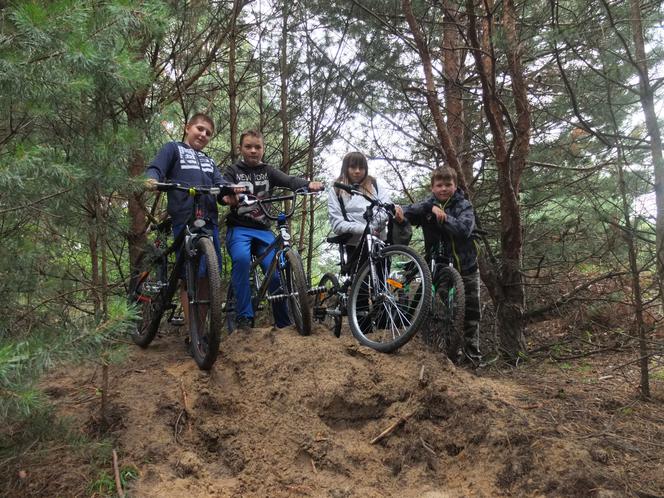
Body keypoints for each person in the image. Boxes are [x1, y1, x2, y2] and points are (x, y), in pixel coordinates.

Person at [221, 129, 323, 331]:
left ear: (263, 149)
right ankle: (244, 317)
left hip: (263, 229)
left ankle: (283, 322)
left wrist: (308, 184)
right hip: (239, 227)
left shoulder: (268, 171)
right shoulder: (233, 170)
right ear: (240, 148)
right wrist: (228, 192)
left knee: (275, 272)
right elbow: (223, 187)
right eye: (248, 146)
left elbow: (289, 181)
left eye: (257, 147)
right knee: (241, 261)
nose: (253, 151)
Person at [145, 113, 240, 326]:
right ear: (188, 128)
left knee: (209, 276)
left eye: (208, 133)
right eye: (199, 129)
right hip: (184, 218)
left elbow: (220, 186)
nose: (203, 134)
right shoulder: (173, 149)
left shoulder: (209, 161)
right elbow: (156, 167)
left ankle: (201, 333)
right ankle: (192, 332)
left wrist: (229, 195)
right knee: (190, 276)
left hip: (209, 220)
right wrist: (151, 179)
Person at [402, 166, 481, 366]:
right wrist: (430, 209)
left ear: (455, 186)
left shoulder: (464, 206)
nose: (444, 189)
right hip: (440, 266)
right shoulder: (429, 203)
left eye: (448, 184)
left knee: (471, 313)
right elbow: (407, 212)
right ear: (432, 187)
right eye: (439, 185)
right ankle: (449, 354)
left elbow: (463, 229)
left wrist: (442, 218)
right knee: (449, 312)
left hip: (467, 266)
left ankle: (473, 358)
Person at [327, 151, 404, 332]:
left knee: (382, 282)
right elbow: (337, 223)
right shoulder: (336, 190)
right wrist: (364, 229)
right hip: (355, 243)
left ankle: (385, 326)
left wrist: (374, 225)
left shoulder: (375, 185)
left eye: (361, 167)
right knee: (360, 284)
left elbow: (387, 207)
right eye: (353, 167)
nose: (357, 171)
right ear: (346, 168)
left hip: (379, 241)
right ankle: (364, 329)